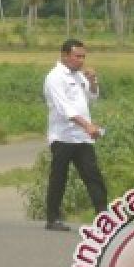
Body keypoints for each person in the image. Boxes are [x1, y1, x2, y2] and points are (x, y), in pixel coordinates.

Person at [43, 38, 108, 232]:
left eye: (83, 56)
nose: (80, 60)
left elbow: (93, 97)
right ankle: (52, 218)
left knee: (93, 175)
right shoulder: (55, 77)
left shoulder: (79, 76)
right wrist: (88, 125)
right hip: (63, 137)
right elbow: (64, 109)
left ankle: (104, 218)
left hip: (82, 138)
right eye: (76, 56)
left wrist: (93, 81)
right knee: (59, 178)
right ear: (64, 56)